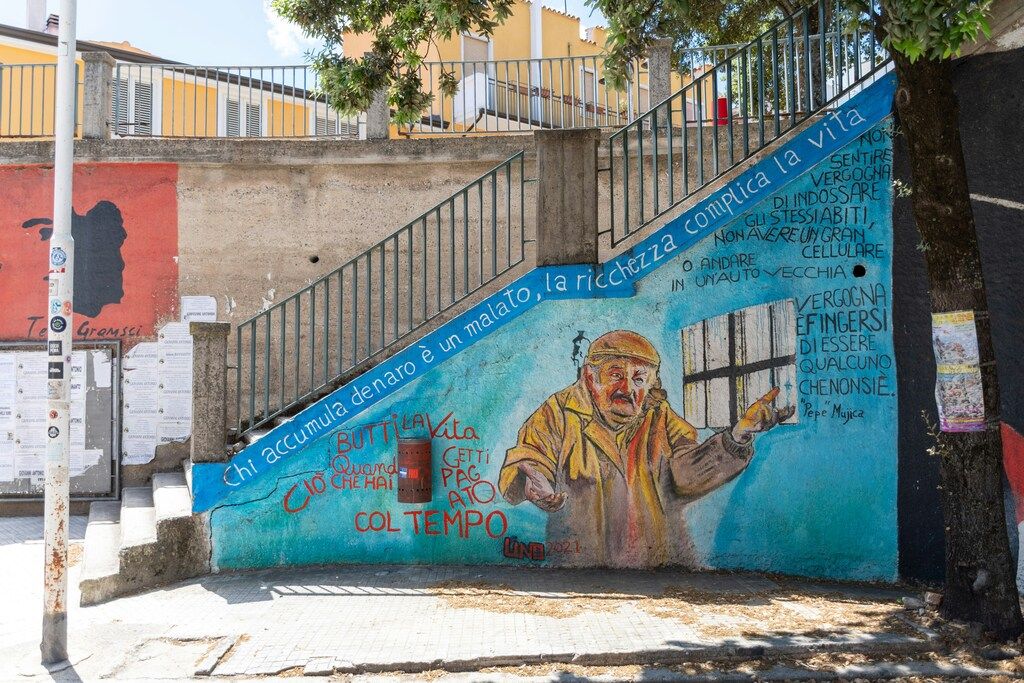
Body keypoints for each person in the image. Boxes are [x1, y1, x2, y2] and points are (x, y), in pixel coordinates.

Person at [499, 329, 793, 567]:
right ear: (590, 376)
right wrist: (531, 480)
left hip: (658, 568)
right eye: (615, 375)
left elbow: (687, 474)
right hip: (579, 567)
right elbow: (532, 454)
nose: (627, 389)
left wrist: (738, 435)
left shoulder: (659, 415)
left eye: (639, 379)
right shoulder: (559, 411)